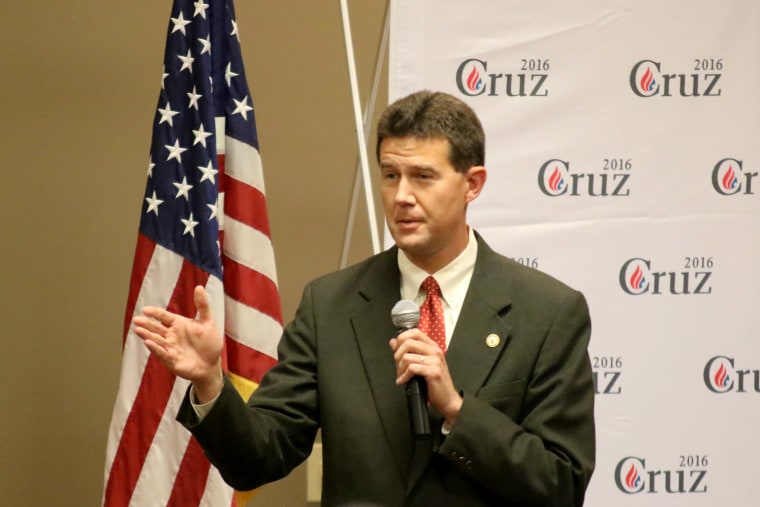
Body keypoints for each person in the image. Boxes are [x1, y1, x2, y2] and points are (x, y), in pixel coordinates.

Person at [133, 90, 595, 506]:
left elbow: (561, 483)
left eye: (423, 177)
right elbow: (259, 458)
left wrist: (457, 409)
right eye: (390, 175)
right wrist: (211, 382)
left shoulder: (548, 312)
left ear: (473, 183)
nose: (402, 196)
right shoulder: (330, 305)